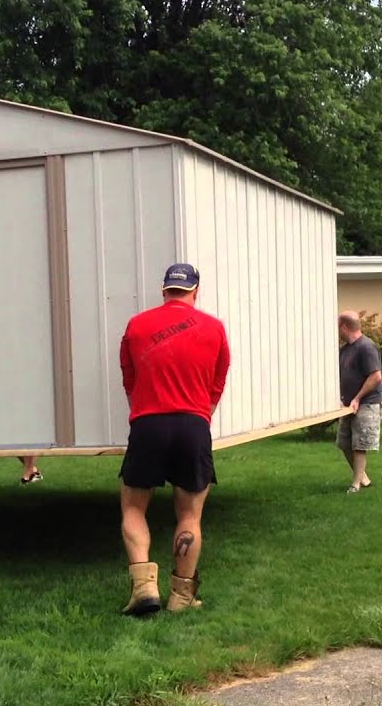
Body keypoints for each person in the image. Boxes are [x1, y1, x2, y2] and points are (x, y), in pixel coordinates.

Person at [117, 263, 231, 617]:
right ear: (195, 291)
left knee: (134, 507)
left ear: (164, 290)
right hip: (192, 426)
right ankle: (181, 596)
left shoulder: (137, 325)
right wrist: (201, 414)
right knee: (189, 515)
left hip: (148, 423)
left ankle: (144, 588)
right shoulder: (213, 328)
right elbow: (217, 381)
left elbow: (129, 378)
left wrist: (143, 410)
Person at [336, 311, 382, 494]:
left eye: (337, 326)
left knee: (360, 445)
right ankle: (363, 478)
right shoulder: (345, 349)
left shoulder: (366, 347)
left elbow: (376, 377)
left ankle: (355, 484)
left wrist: (357, 398)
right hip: (348, 405)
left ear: (344, 327)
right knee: (345, 443)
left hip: (366, 403)